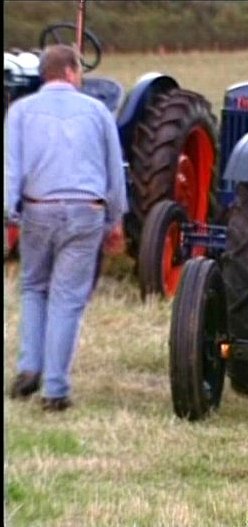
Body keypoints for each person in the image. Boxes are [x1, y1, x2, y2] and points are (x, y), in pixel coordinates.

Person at [5, 44, 127, 411]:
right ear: (73, 71)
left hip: (38, 210)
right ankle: (55, 389)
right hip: (85, 212)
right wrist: (116, 219)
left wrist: (9, 213)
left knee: (32, 287)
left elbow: (10, 168)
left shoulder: (20, 111)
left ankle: (29, 367)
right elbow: (113, 170)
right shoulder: (97, 111)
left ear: (44, 74)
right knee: (67, 298)